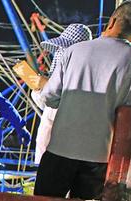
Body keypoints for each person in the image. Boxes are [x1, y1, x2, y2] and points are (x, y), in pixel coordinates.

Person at [34, 1, 131, 199]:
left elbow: (49, 97)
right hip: (98, 157)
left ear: (112, 20)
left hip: (60, 149)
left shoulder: (74, 51)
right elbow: (129, 107)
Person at [31, 24, 92, 164]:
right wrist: (38, 89)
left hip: (63, 141)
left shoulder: (82, 70)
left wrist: (45, 85)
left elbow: (62, 96)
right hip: (55, 137)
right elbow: (47, 103)